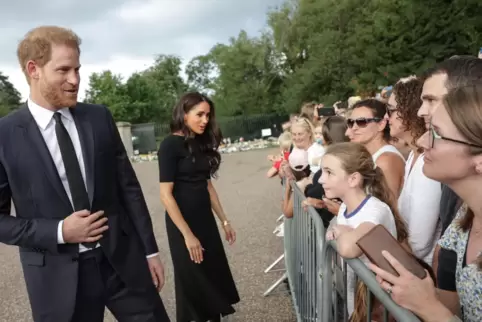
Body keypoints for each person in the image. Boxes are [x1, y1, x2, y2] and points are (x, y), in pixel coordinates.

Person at [0, 26, 169, 322]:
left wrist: (149, 251)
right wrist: (59, 231)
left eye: (78, 68)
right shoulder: (4, 135)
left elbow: (128, 188)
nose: (75, 80)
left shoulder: (99, 117)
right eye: (64, 70)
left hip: (122, 264)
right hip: (57, 278)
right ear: (33, 69)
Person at [370, 83, 482, 322]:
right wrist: (413, 293)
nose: (421, 140)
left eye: (436, 133)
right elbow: (453, 306)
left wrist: (428, 307)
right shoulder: (465, 220)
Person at [158, 92, 240, 322]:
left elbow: (208, 186)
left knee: (212, 276)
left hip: (205, 221)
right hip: (182, 224)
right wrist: (187, 235)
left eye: (208, 115)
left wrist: (224, 221)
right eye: (199, 114)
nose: (205, 120)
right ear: (184, 115)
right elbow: (165, 195)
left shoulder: (200, 143)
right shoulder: (169, 145)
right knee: (193, 281)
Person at [387, 75, 442, 265]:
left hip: (421, 271)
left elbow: (419, 245)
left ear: (409, 111)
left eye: (391, 110)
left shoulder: (427, 164)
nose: (387, 117)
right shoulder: (413, 155)